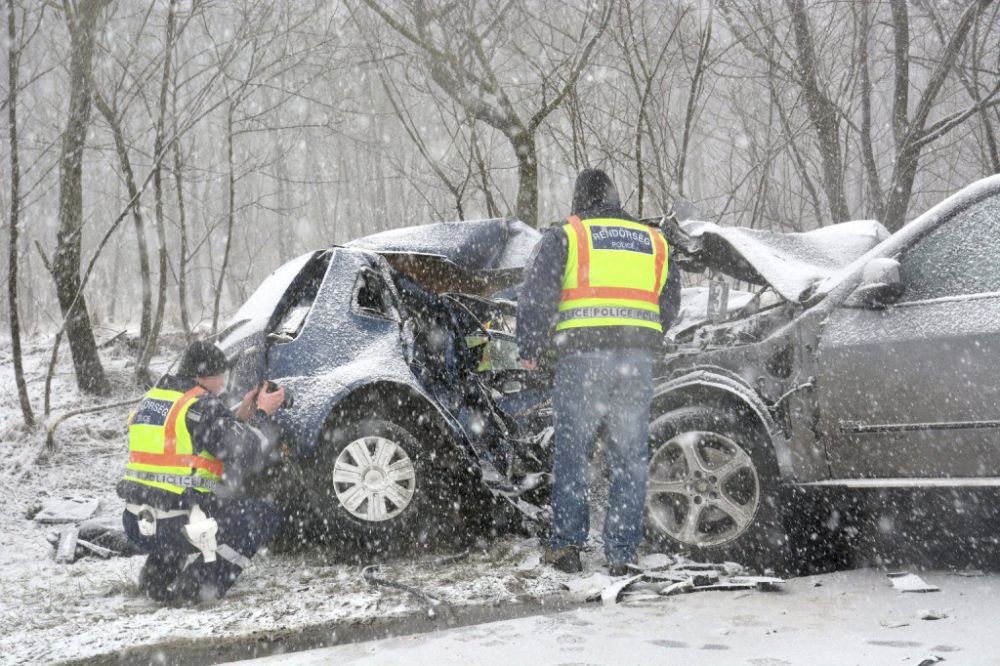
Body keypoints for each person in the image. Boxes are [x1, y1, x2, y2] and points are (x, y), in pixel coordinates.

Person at [516, 168, 681, 576]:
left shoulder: (568, 236)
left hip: (583, 361)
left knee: (573, 456)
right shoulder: (653, 241)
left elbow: (537, 294)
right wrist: (645, 335)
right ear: (613, 197)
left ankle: (568, 546)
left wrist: (531, 346)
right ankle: (622, 552)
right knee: (629, 458)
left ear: (579, 199)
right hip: (635, 363)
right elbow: (671, 300)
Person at [118, 340, 286, 604]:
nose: (224, 385)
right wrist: (262, 413)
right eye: (223, 377)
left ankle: (155, 579)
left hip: (138, 521)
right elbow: (245, 453)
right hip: (175, 521)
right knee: (261, 515)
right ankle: (197, 588)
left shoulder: (154, 399)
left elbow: (198, 437)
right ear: (207, 376)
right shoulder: (202, 405)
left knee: (179, 512)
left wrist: (240, 416)